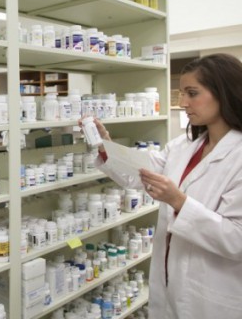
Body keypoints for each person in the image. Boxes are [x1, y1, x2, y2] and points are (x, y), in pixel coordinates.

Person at [92, 53, 242, 318]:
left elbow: (236, 239)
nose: (183, 103)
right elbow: (141, 172)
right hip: (169, 279)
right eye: (182, 93)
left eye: (192, 93)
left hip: (212, 293)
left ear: (224, 93)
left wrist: (179, 202)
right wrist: (107, 147)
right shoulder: (185, 145)